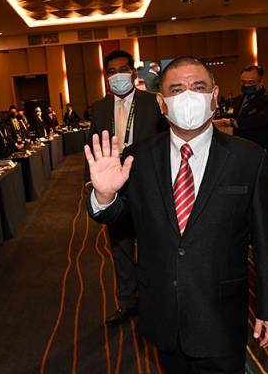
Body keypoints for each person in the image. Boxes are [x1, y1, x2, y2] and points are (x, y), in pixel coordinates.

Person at [85, 56, 268, 373]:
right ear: (161, 103)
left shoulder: (248, 158)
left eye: (199, 87)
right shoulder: (138, 158)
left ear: (214, 96)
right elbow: (118, 218)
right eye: (177, 90)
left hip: (220, 314)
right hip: (163, 312)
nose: (189, 96)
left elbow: (267, 242)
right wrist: (105, 196)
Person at [87, 49, 168, 326]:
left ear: (133, 73)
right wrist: (92, 183)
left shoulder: (153, 102)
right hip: (114, 187)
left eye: (123, 69)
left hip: (148, 184)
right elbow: (92, 145)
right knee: (120, 247)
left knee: (152, 245)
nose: (117, 75)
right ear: (106, 77)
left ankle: (154, 299)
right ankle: (127, 302)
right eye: (111, 72)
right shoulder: (99, 108)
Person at [217, 65, 268, 172]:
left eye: (251, 82)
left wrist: (234, 123)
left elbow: (261, 119)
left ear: (260, 82)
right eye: (244, 82)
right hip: (241, 152)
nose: (246, 85)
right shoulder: (238, 99)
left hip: (261, 152)